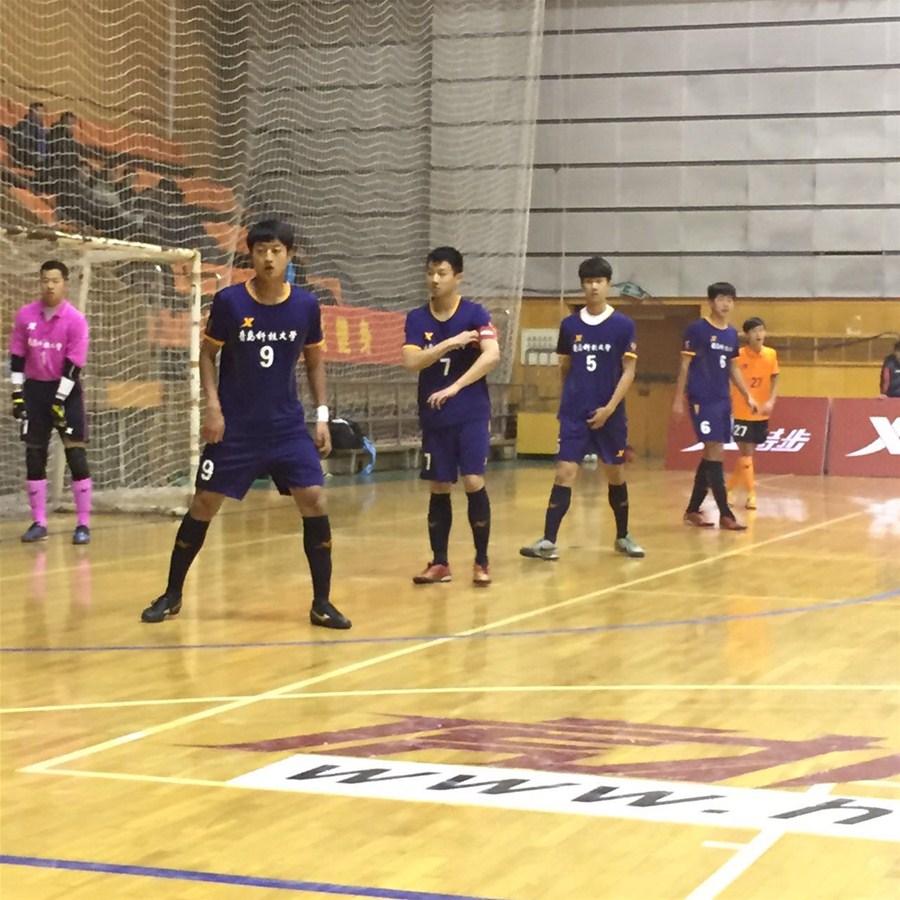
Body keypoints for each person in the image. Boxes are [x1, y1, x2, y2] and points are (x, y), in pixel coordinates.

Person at [139, 219, 351, 629]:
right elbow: (207, 355)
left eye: (276, 250)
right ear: (250, 255)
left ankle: (322, 602)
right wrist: (213, 407)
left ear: (289, 255)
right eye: (260, 251)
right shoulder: (231, 302)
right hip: (236, 428)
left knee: (314, 499)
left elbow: (314, 362)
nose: (268, 258)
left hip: (286, 428)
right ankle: (172, 594)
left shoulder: (306, 305)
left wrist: (322, 415)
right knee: (204, 503)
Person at [520, 256, 645, 561]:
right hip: (575, 414)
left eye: (598, 281)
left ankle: (623, 536)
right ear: (582, 286)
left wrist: (609, 408)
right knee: (564, 473)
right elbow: (565, 366)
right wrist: (572, 398)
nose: (593, 287)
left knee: (615, 474)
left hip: (610, 415)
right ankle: (548, 541)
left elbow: (628, 371)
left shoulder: (623, 325)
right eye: (588, 282)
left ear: (608, 285)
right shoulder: (570, 325)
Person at [402, 246, 500, 586]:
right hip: (435, 414)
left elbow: (492, 355)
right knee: (439, 484)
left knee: (472, 480)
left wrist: (456, 386)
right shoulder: (417, 318)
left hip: (470, 411)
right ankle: (440, 562)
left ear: (458, 277)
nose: (435, 279)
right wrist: (449, 343)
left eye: (442, 273)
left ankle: (482, 561)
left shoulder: (475, 313)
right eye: (430, 272)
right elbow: (411, 361)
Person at [8, 261, 92, 544]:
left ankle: (83, 524)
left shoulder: (75, 320)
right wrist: (18, 395)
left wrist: (59, 400)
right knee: (34, 456)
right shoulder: (25, 316)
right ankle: (39, 522)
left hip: (66, 392)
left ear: (65, 282)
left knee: (76, 455)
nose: (50, 286)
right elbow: (17, 357)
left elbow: (73, 365)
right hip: (35, 391)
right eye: (45, 280)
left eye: (55, 280)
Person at [673, 282, 757, 530]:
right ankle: (725, 513)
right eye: (721, 299)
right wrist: (678, 399)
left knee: (712, 454)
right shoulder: (697, 329)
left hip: (722, 400)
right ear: (711, 302)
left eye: (730, 299)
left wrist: (747, 395)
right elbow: (685, 365)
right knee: (714, 450)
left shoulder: (731, 334)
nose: (725, 304)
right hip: (701, 399)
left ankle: (692, 510)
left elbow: (732, 367)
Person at [727, 317, 779, 509]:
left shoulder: (771, 354)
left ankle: (728, 491)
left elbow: (775, 378)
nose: (759, 334)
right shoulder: (738, 355)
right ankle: (751, 495)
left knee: (747, 456)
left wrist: (771, 400)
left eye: (761, 330)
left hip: (761, 412)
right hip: (741, 411)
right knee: (746, 452)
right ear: (747, 335)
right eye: (755, 331)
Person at [7, 102, 47, 173]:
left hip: (39, 159)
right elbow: (20, 143)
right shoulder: (24, 125)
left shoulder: (41, 127)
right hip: (26, 158)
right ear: (31, 112)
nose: (41, 115)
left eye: (43, 112)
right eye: (39, 112)